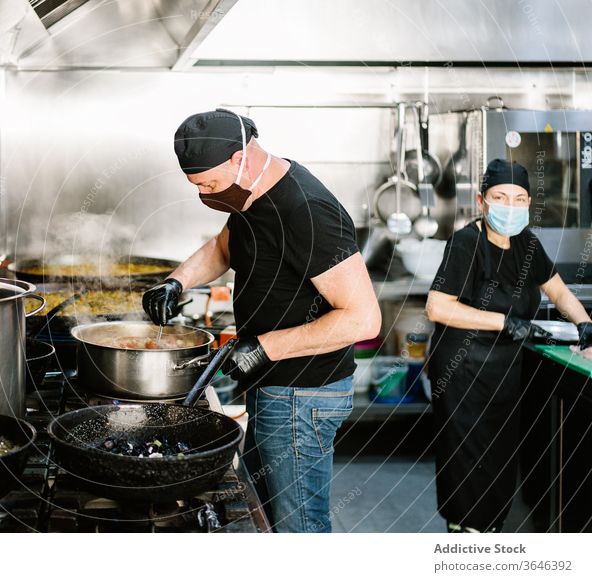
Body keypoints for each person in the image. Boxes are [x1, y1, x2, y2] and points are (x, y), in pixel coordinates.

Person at [141, 109, 381, 532]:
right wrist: (176, 283)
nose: (206, 194)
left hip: (302, 394)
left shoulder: (306, 211)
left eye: (210, 184)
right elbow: (224, 247)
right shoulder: (252, 193)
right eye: (197, 186)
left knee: (297, 526)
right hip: (275, 386)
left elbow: (363, 319)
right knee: (265, 514)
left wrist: (265, 348)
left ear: (240, 158)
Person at [426, 158, 592, 533]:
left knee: (499, 456)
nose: (509, 206)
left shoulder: (527, 245)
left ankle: (491, 531)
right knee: (467, 456)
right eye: (499, 197)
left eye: (519, 199)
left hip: (504, 370)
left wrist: (584, 322)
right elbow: (437, 307)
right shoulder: (466, 242)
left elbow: (559, 291)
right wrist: (504, 321)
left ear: (529, 204)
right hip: (463, 369)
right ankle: (464, 532)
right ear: (482, 202)